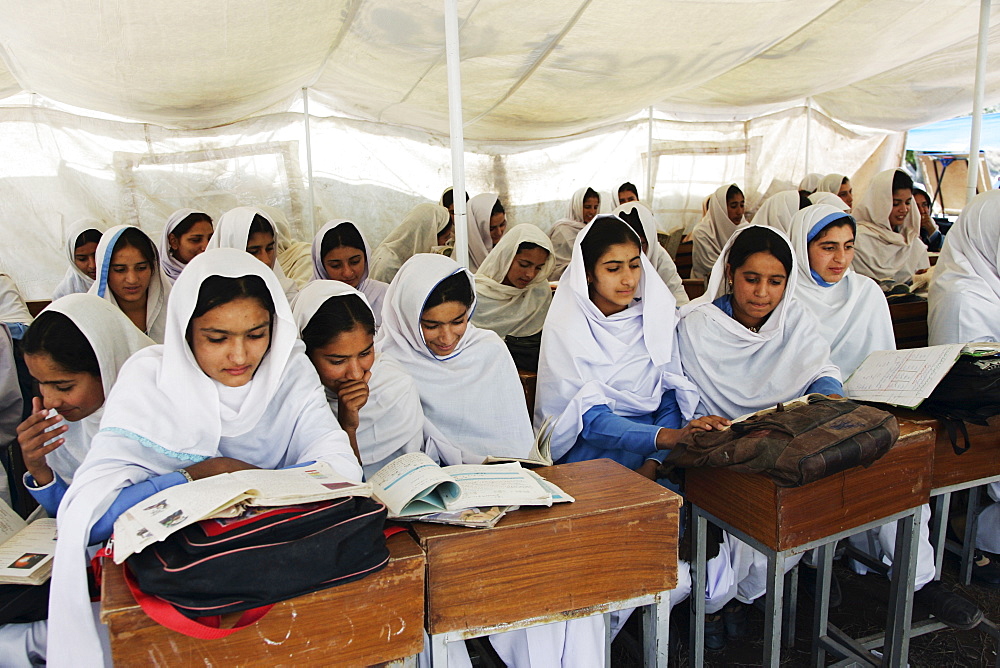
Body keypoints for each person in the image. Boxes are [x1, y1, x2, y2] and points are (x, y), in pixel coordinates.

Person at [47, 249, 363, 666]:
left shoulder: (288, 373)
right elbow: (94, 513)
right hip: (173, 597)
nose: (240, 356)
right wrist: (202, 474)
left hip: (279, 582)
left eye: (256, 334)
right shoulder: (150, 382)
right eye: (217, 338)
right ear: (185, 332)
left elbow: (340, 470)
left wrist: (230, 477)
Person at [678, 225, 840, 632]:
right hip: (718, 454)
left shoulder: (796, 320)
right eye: (751, 279)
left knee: (784, 531)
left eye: (776, 281)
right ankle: (718, 604)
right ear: (730, 273)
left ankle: (745, 598)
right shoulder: (698, 325)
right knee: (726, 559)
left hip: (781, 447)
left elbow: (821, 368)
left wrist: (828, 394)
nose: (762, 294)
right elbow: (682, 394)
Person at [293, 280, 458, 478]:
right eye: (337, 361)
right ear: (305, 351)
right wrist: (347, 428)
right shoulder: (292, 400)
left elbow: (412, 469)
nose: (355, 374)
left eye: (365, 354)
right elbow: (344, 487)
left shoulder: (394, 384)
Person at [17, 294, 154, 516]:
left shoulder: (163, 414)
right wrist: (39, 469)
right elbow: (73, 513)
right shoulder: (60, 427)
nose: (50, 401)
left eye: (63, 387)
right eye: (40, 383)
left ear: (107, 369)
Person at [929, 190, 1000, 586]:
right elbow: (976, 376)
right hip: (968, 420)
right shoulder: (961, 296)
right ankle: (973, 530)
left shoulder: (989, 280)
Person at [472, 224, 554, 371]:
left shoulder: (539, 291)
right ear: (506, 257)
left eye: (538, 268)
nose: (531, 274)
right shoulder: (477, 296)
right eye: (524, 264)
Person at [88, 225, 169, 343]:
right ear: (104, 272)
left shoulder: (174, 309)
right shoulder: (92, 318)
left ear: (153, 269)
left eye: (141, 268)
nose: (132, 279)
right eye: (120, 270)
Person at [851, 169, 929, 285]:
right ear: (878, 203)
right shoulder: (857, 241)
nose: (904, 209)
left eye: (908, 203)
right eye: (896, 204)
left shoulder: (913, 243)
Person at [208, 206, 299, 302]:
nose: (266, 260)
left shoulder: (285, 293)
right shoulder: (207, 300)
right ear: (231, 251)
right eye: (253, 252)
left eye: (269, 249)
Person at [311, 220, 389, 325]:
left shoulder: (385, 297)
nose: (347, 273)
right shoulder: (309, 304)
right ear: (321, 266)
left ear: (366, 258)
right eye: (335, 266)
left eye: (354, 262)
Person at [612, 201, 689, 304]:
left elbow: (679, 300)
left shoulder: (659, 257)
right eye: (626, 246)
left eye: (642, 244)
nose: (634, 252)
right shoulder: (606, 261)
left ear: (650, 242)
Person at [370, 203, 453, 284]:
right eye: (446, 237)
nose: (446, 243)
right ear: (429, 236)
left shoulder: (404, 254)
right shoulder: (389, 266)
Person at [689, 183, 747, 279]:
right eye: (733, 206)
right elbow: (709, 267)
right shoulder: (702, 232)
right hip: (707, 286)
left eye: (742, 205)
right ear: (720, 208)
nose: (739, 212)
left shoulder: (745, 230)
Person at [548, 187, 602, 279]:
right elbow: (555, 265)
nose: (592, 212)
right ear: (576, 206)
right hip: (561, 279)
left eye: (595, 207)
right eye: (587, 207)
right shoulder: (562, 229)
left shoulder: (595, 228)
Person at [51, 219, 106, 300]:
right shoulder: (64, 294)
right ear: (72, 260)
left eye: (97, 255)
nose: (93, 265)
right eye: (82, 259)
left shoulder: (125, 283)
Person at [158, 209, 213, 283]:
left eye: (211, 239)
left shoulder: (216, 272)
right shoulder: (157, 280)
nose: (206, 247)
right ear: (173, 241)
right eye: (195, 240)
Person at [465, 193, 507, 272]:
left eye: (502, 225)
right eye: (491, 228)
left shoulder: (508, 253)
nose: (499, 233)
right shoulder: (462, 262)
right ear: (475, 228)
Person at [913, 187, 943, 251]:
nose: (921, 210)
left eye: (924, 205)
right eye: (916, 206)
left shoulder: (930, 222)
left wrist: (931, 230)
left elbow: (944, 247)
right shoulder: (902, 227)